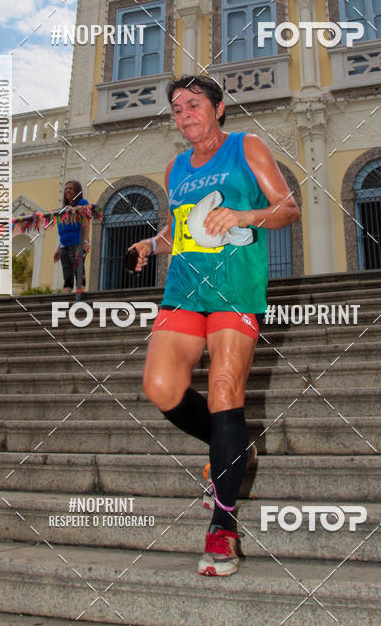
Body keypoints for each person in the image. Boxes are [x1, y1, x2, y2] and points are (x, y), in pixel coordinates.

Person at [128, 74, 300, 577]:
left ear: (218, 108)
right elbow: (181, 228)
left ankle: (223, 526)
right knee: (161, 387)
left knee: (225, 388)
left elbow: (287, 209)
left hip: (236, 288)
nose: (185, 115)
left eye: (193, 105)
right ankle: (228, 447)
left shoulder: (247, 147)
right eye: (177, 109)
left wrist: (243, 215)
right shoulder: (176, 167)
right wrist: (150, 244)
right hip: (184, 287)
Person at [53, 180, 90, 295]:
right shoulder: (64, 209)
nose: (68, 191)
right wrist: (58, 249)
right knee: (67, 276)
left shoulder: (82, 203)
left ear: (77, 191)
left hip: (77, 243)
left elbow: (86, 222)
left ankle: (79, 298)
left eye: (71, 188)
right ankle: (65, 300)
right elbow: (63, 232)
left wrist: (85, 241)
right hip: (64, 246)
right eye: (66, 189)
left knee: (78, 272)